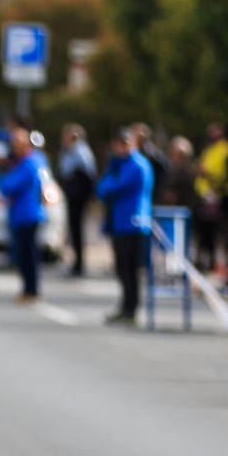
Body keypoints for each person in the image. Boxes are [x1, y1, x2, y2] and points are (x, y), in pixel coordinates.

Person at [96, 127, 155, 325]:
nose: (120, 147)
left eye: (125, 143)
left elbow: (113, 187)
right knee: (122, 268)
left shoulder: (136, 165)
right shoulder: (119, 164)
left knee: (130, 269)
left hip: (133, 222)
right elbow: (101, 189)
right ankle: (125, 306)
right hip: (120, 221)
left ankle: (131, 309)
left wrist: (109, 181)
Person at [0, 127, 45, 303]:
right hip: (20, 214)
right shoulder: (20, 163)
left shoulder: (29, 163)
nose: (15, 148)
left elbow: (9, 185)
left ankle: (32, 290)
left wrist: (2, 180)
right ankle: (27, 289)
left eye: (18, 145)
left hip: (28, 214)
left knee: (28, 255)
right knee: (22, 255)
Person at [195, 122, 228, 276]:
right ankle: (223, 264)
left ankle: (227, 266)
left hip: (224, 196)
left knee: (224, 233)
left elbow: (224, 178)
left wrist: (208, 177)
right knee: (222, 233)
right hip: (222, 195)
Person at [58, 123, 97, 276]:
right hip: (72, 195)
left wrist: (88, 196)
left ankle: (79, 264)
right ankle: (76, 262)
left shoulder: (81, 152)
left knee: (78, 230)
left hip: (78, 196)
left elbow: (88, 175)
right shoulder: (69, 152)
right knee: (74, 231)